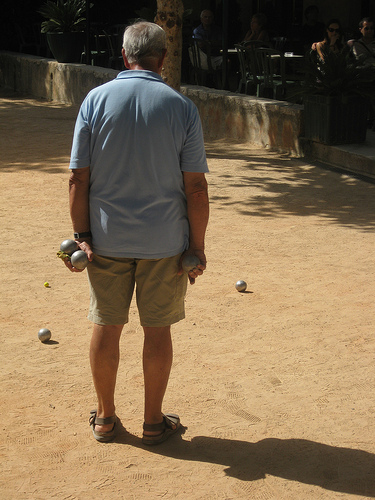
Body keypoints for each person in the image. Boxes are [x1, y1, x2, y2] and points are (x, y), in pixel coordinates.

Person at [65, 21, 209, 444]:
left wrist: (81, 236)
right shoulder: (182, 107)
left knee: (106, 327)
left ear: (124, 56)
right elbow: (196, 188)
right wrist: (196, 248)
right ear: (163, 59)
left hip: (106, 240)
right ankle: (152, 422)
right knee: (157, 330)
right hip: (165, 243)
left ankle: (106, 419)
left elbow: (78, 178)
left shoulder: (95, 100)